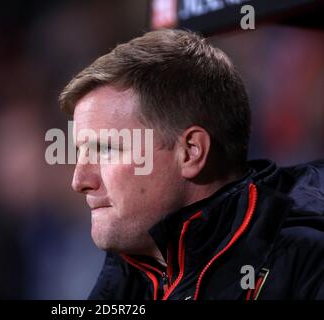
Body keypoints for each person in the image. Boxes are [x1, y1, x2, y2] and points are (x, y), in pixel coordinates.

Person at [58, 29, 323, 300]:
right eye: (80, 153)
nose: (79, 181)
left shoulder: (305, 264)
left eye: (105, 150)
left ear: (190, 152)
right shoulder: (129, 278)